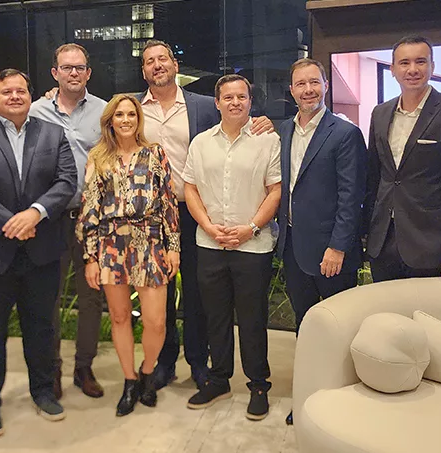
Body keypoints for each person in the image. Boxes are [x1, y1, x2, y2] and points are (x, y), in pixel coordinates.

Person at [135, 39, 275, 390]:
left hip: (193, 211)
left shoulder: (200, 105)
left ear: (174, 65)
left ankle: (199, 361)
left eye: (163, 58)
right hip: (149, 216)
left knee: (200, 293)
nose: (157, 65)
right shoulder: (132, 108)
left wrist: (265, 122)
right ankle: (165, 361)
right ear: (144, 70)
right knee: (159, 290)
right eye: (150, 61)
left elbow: (234, 124)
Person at [0, 68, 77, 437]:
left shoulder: (52, 133)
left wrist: (35, 213)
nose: (15, 97)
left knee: (41, 327)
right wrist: (10, 222)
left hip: (41, 250)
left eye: (21, 91)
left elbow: (66, 181)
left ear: (30, 96)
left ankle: (43, 392)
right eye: (7, 92)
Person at [182, 74, 281, 421]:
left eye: (242, 97)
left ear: (250, 101)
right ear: (217, 103)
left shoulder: (268, 140)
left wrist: (250, 228)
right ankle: (219, 379)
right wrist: (209, 227)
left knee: (252, 319)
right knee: (216, 316)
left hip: (253, 245)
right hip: (210, 243)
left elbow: (275, 191)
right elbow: (190, 188)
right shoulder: (200, 143)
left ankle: (258, 385)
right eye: (228, 97)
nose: (235, 102)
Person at [77, 94, 180, 417]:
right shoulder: (98, 157)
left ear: (138, 119)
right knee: (120, 317)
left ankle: (148, 371)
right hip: (111, 244)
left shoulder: (154, 154)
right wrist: (90, 257)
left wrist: (173, 247)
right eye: (119, 115)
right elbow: (89, 210)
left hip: (149, 241)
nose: (125, 120)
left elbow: (168, 203)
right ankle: (129, 380)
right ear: (110, 121)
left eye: (131, 114)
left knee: (156, 321)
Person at [276, 58, 367, 425]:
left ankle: (339, 401)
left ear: (326, 86)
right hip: (293, 246)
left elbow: (352, 196)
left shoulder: (344, 133)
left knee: (338, 329)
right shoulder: (283, 130)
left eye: (314, 82)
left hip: (331, 251)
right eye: (301, 84)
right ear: (291, 90)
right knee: (305, 325)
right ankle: (308, 395)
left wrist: (338, 246)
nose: (308, 90)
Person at [364, 35, 441, 283]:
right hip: (383, 242)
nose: (412, 69)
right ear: (393, 69)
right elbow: (375, 177)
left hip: (433, 246)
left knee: (428, 310)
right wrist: (366, 232)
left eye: (420, 61)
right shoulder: (380, 113)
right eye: (404, 63)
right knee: (384, 308)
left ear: (432, 66)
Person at [29, 43, 107, 400]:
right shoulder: (36, 111)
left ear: (88, 73)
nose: (73, 73)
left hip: (92, 219)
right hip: (50, 219)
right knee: (49, 298)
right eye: (66, 67)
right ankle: (53, 368)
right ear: (55, 73)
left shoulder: (104, 111)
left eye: (79, 67)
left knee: (91, 297)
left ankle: (83, 367)